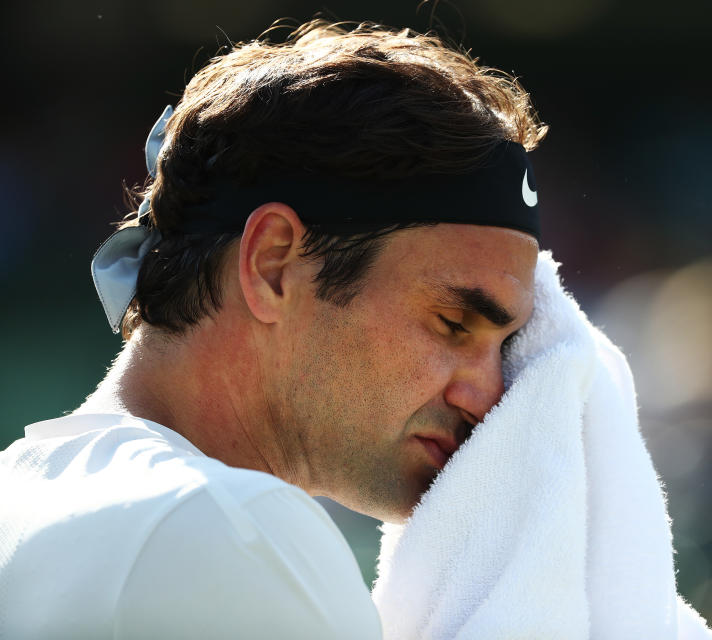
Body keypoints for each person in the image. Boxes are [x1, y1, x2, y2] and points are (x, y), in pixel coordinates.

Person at [0, 19, 545, 638]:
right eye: (453, 324)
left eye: (507, 347)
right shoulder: (226, 526)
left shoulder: (20, 491)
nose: (488, 396)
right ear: (273, 265)